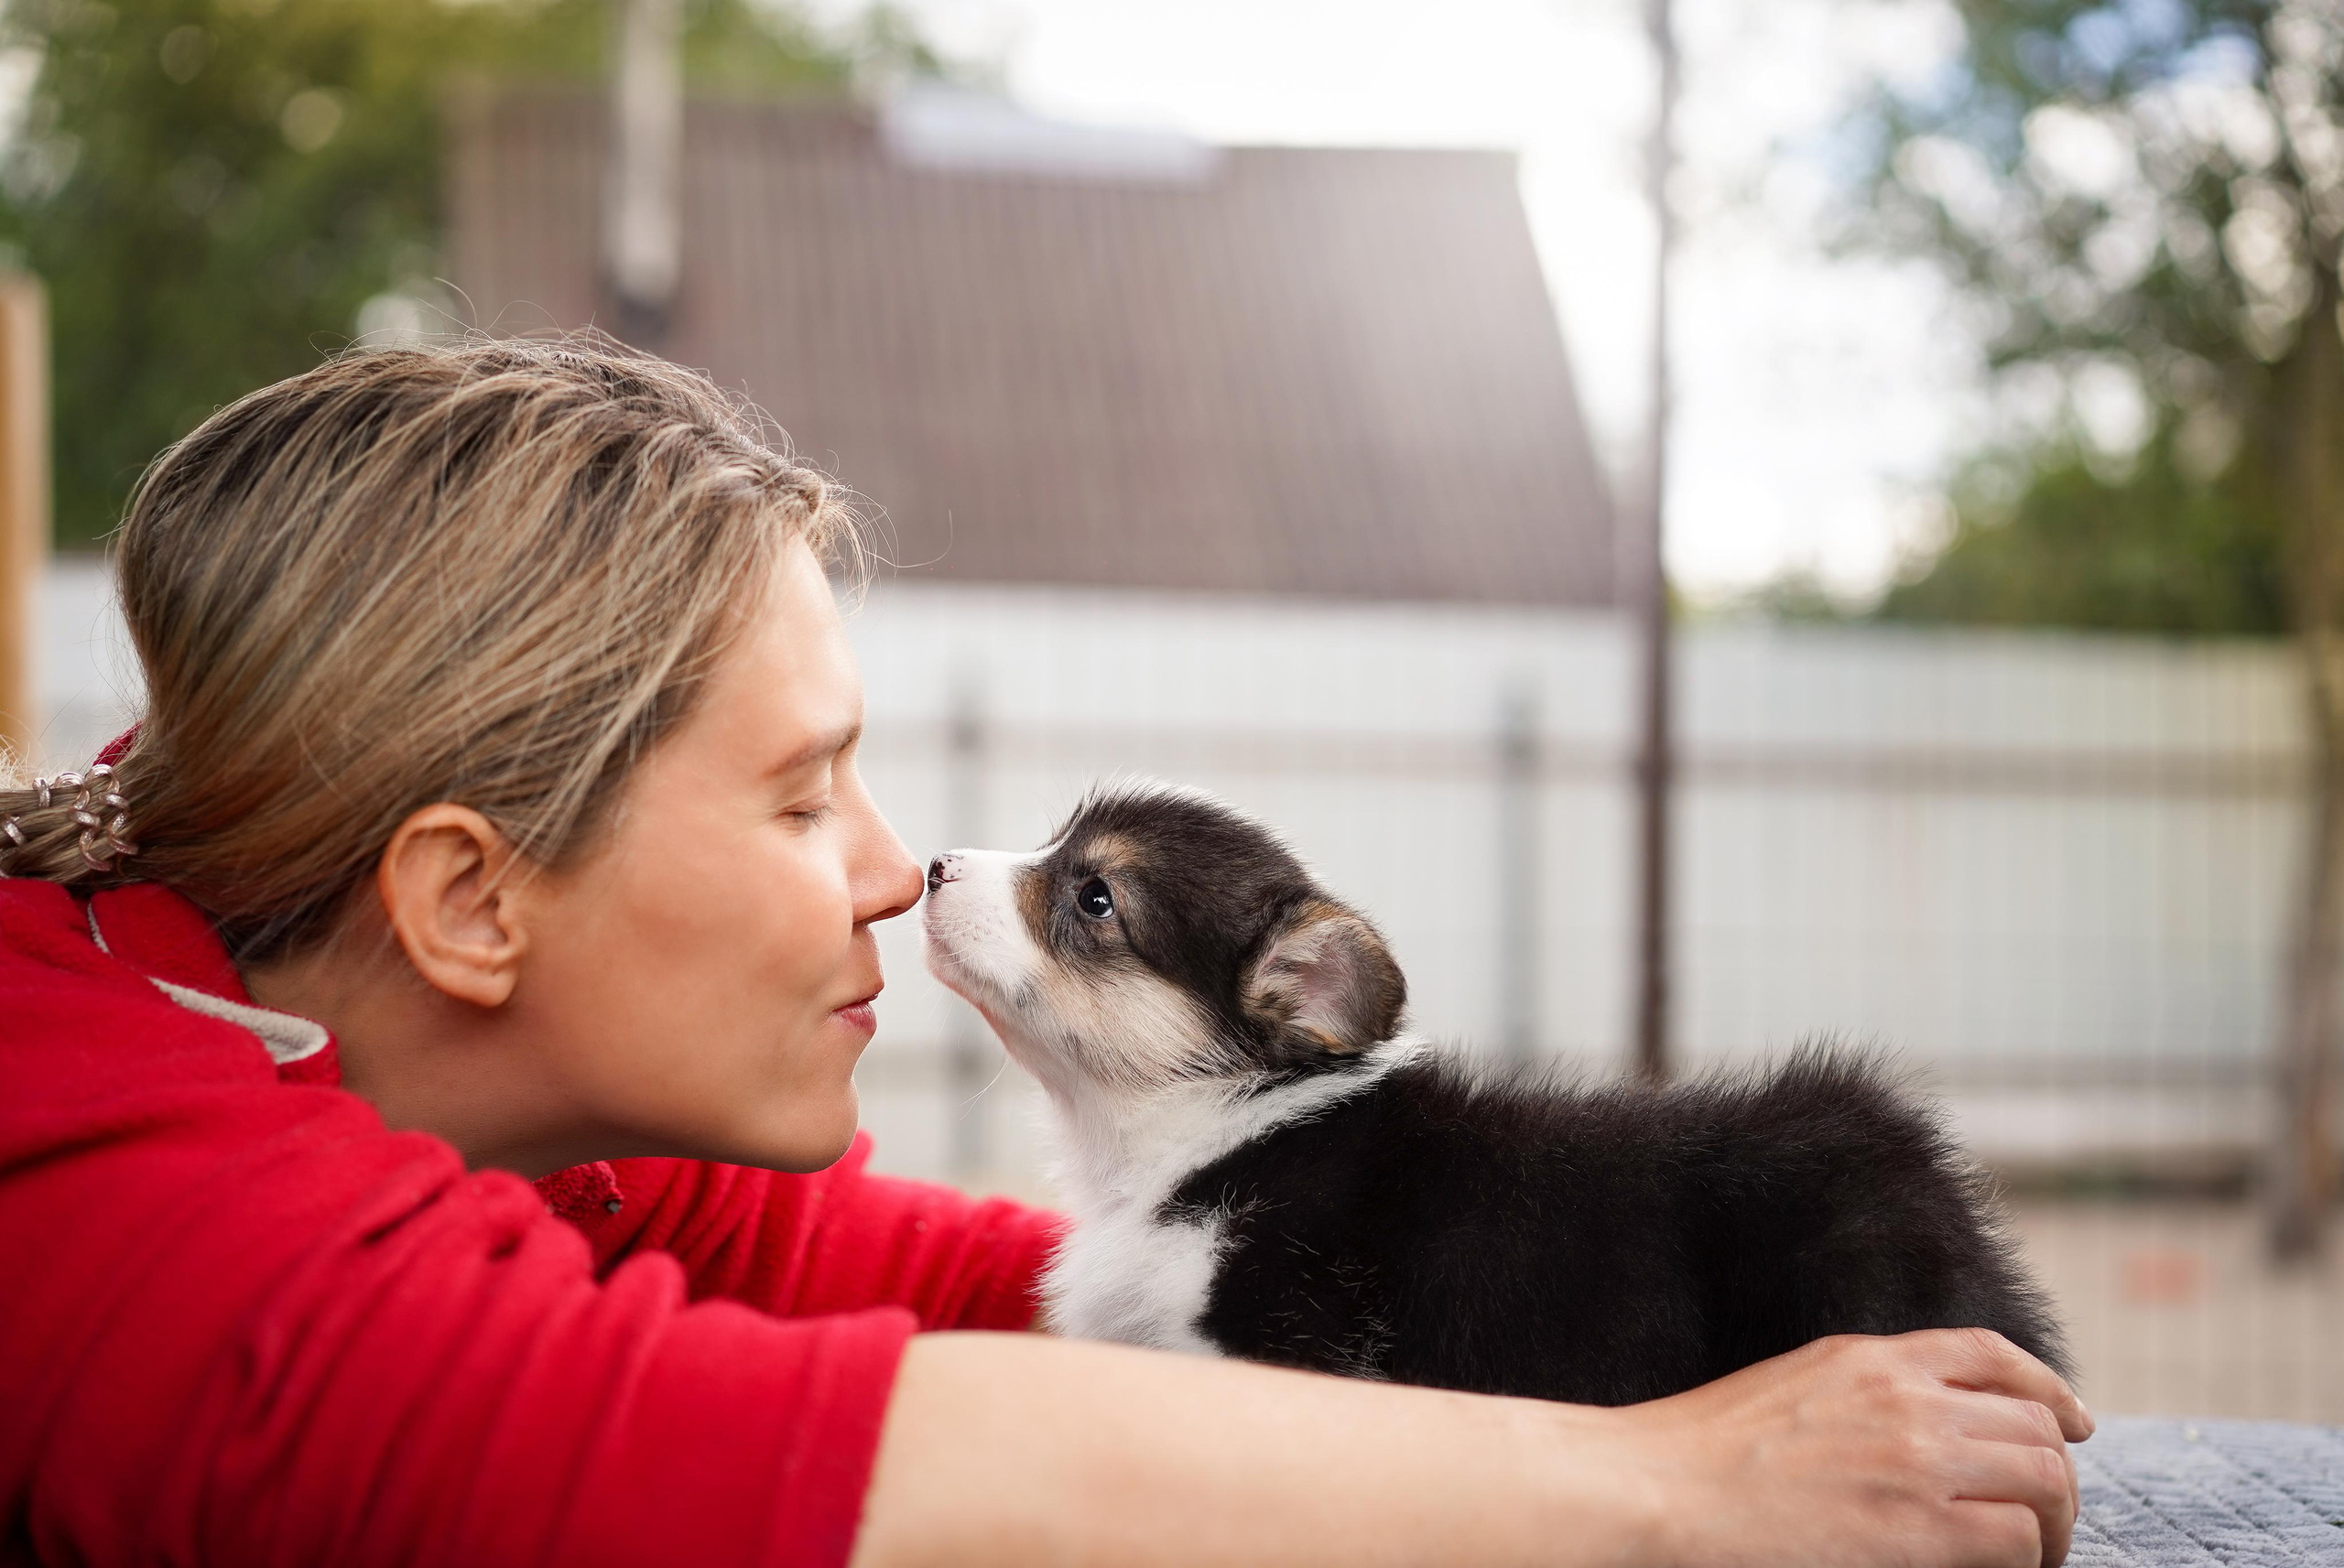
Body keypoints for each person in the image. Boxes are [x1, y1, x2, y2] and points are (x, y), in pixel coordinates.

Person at [0, 336, 2091, 1568]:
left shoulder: (271, 927)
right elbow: (800, 1451)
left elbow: (888, 1288)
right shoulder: (126, 1221)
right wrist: (1664, 1481)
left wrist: (1377, 1300)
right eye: (804, 791)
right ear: (467, 898)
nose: (892, 869)